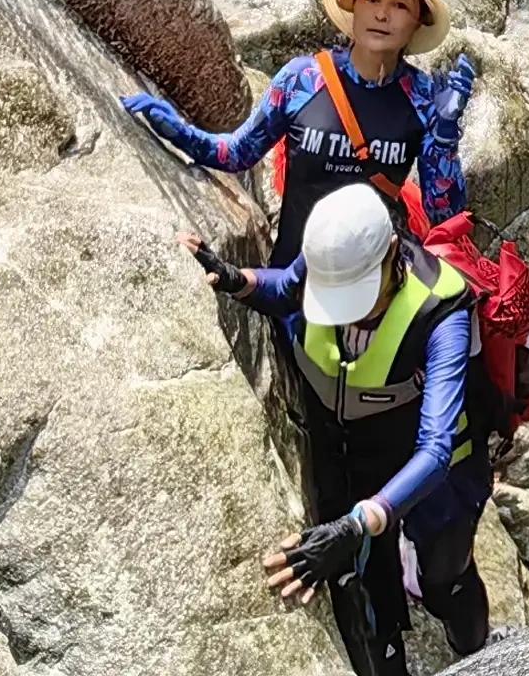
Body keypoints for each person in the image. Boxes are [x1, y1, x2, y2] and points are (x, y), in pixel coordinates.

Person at [195, 182, 493, 675]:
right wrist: (234, 278)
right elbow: (285, 291)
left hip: (438, 472)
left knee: (446, 579)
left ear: (392, 253)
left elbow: (436, 447)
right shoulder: (332, 256)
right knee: (369, 597)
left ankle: (480, 655)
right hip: (355, 454)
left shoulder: (443, 313)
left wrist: (357, 523)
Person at [119, 0, 470, 266]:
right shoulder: (303, 79)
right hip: (292, 279)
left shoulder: (424, 98)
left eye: (400, 5)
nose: (382, 14)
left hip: (376, 288)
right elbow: (238, 154)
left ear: (417, 22)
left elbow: (445, 218)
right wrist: (181, 134)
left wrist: (445, 136)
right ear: (354, 5)